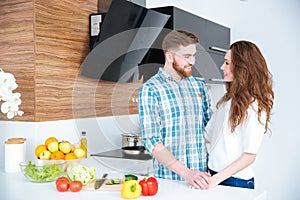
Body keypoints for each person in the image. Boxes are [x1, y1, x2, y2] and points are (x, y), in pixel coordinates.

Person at [138, 30, 213, 189]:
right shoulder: (150, 89)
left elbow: (210, 126)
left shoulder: (198, 85)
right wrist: (186, 173)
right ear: (169, 56)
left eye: (194, 55)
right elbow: (152, 141)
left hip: (200, 179)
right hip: (169, 181)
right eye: (186, 56)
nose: (192, 61)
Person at [205, 40, 274, 189]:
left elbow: (250, 156)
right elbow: (208, 136)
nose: (222, 67)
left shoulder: (253, 105)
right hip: (213, 175)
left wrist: (216, 179)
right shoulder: (227, 100)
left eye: (227, 63)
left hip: (234, 181)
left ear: (242, 67)